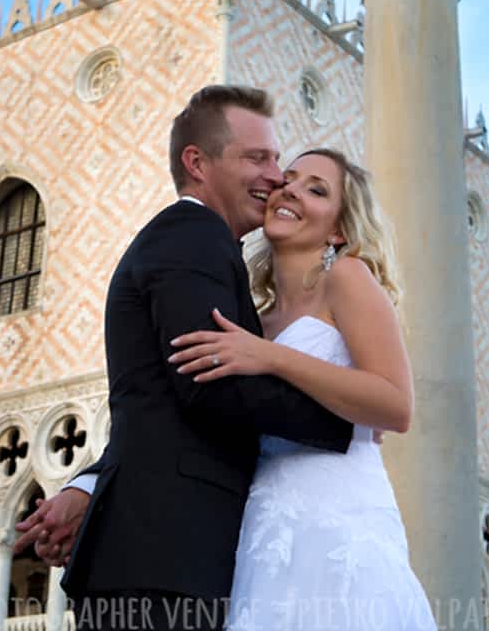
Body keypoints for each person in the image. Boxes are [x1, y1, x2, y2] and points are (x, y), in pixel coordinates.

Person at [13, 86, 354, 631]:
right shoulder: (193, 238)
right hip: (166, 557)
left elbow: (159, 401)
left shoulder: (199, 244)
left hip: (166, 551)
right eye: (256, 158)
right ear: (197, 162)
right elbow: (208, 385)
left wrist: (88, 485)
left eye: (275, 158)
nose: (275, 176)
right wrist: (344, 421)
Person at [169, 148, 436, 630]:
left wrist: (270, 357)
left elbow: (396, 405)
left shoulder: (347, 278)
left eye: (316, 189)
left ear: (338, 229)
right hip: (264, 525)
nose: (290, 189)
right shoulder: (254, 318)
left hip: (339, 517)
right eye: (287, 180)